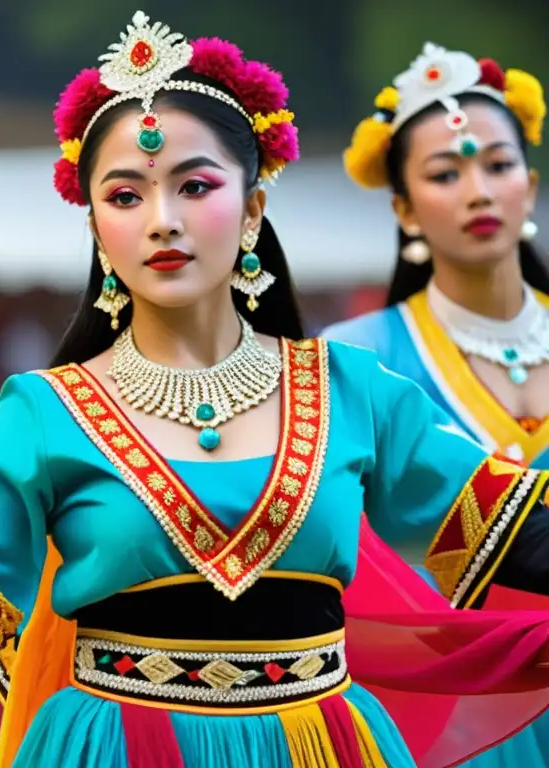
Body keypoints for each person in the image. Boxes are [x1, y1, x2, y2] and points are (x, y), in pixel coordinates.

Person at [0, 15, 549, 768]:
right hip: (114, 744)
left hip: (317, 742)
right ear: (96, 223)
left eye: (195, 186)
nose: (161, 218)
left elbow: (516, 528)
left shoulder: (353, 389)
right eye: (126, 195)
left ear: (250, 212)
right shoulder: (45, 412)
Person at [325, 42, 549, 766]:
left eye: (497, 164)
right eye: (446, 174)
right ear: (405, 208)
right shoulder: (354, 360)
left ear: (531, 182)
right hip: (452, 709)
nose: (478, 190)